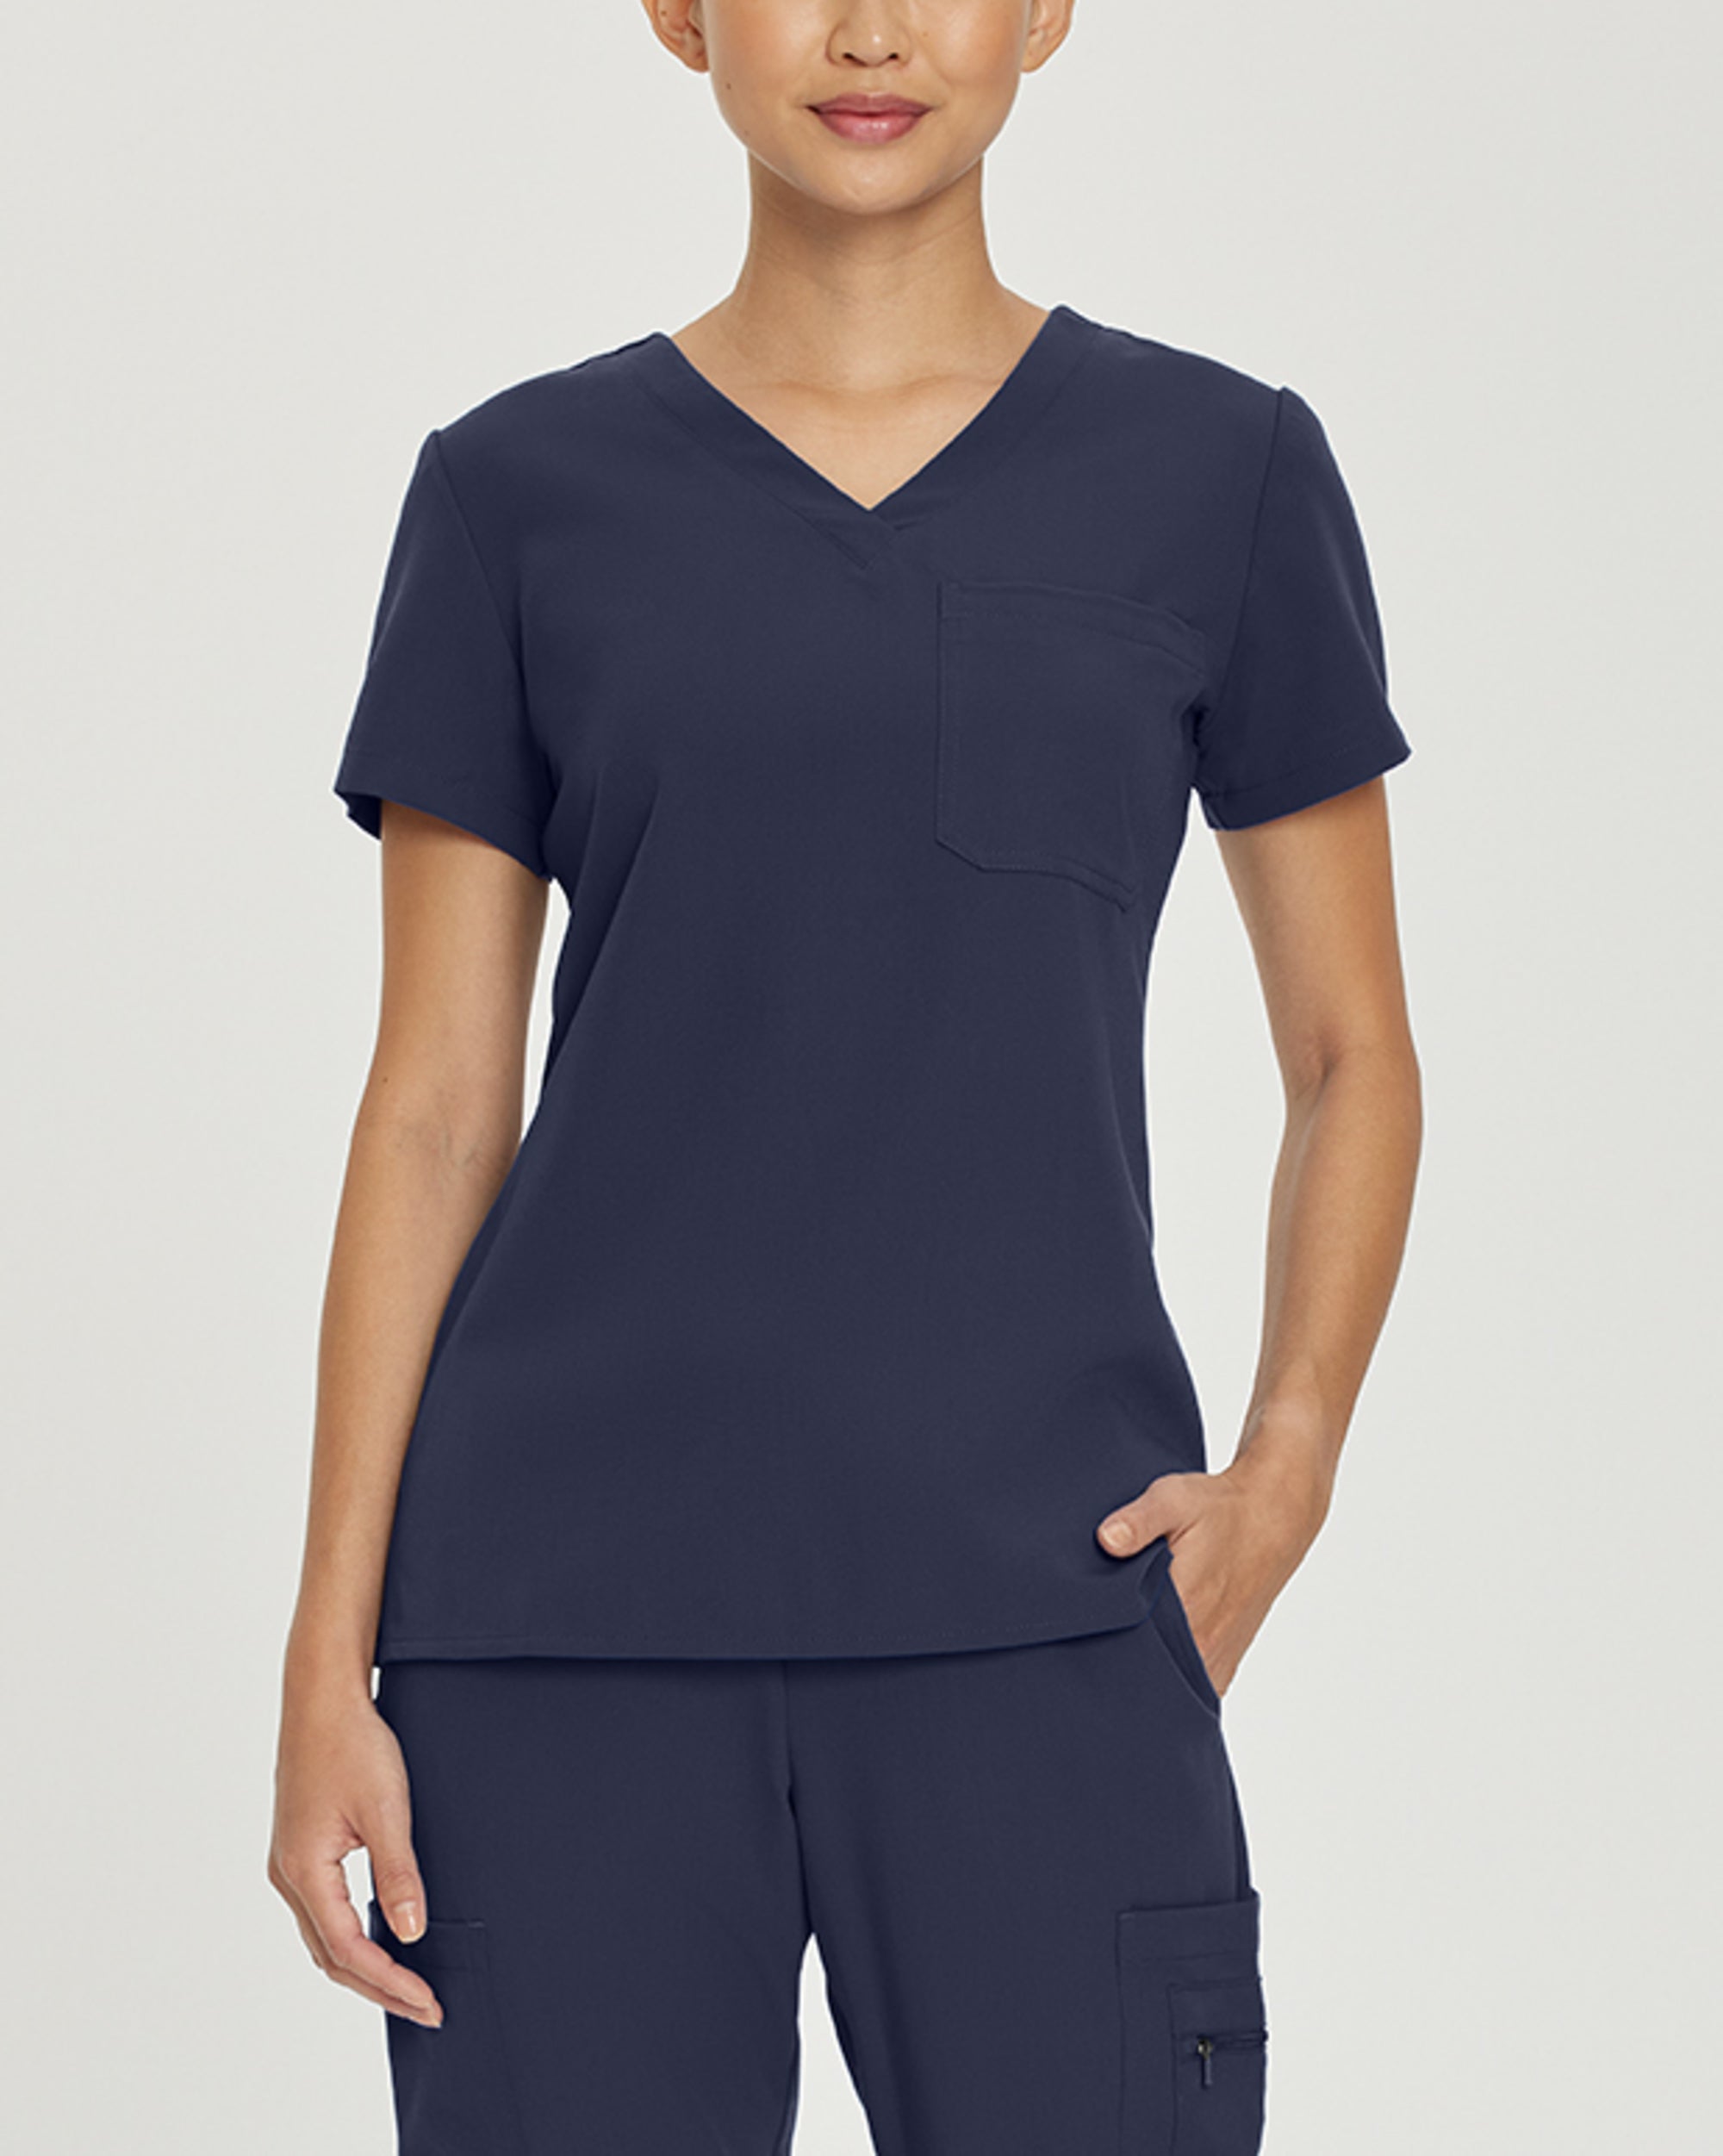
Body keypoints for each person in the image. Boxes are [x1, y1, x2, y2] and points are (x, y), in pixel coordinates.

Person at [268, 3, 1421, 2150]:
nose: (871, 30)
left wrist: (1287, 1467)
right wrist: (326, 1657)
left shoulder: (1218, 474)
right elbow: (431, 1105)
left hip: (1045, 1613)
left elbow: (1351, 1051)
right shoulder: (514, 496)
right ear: (680, 13)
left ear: (1046, 13)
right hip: (559, 1638)